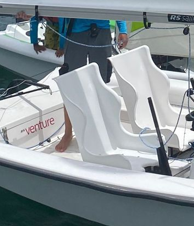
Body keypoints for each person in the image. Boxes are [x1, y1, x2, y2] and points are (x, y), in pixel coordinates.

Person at [30, 16, 129, 153]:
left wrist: (122, 29)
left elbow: (116, 1)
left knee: (101, 84)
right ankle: (68, 132)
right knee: (71, 84)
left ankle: (101, 130)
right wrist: (61, 43)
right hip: (75, 32)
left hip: (102, 30)